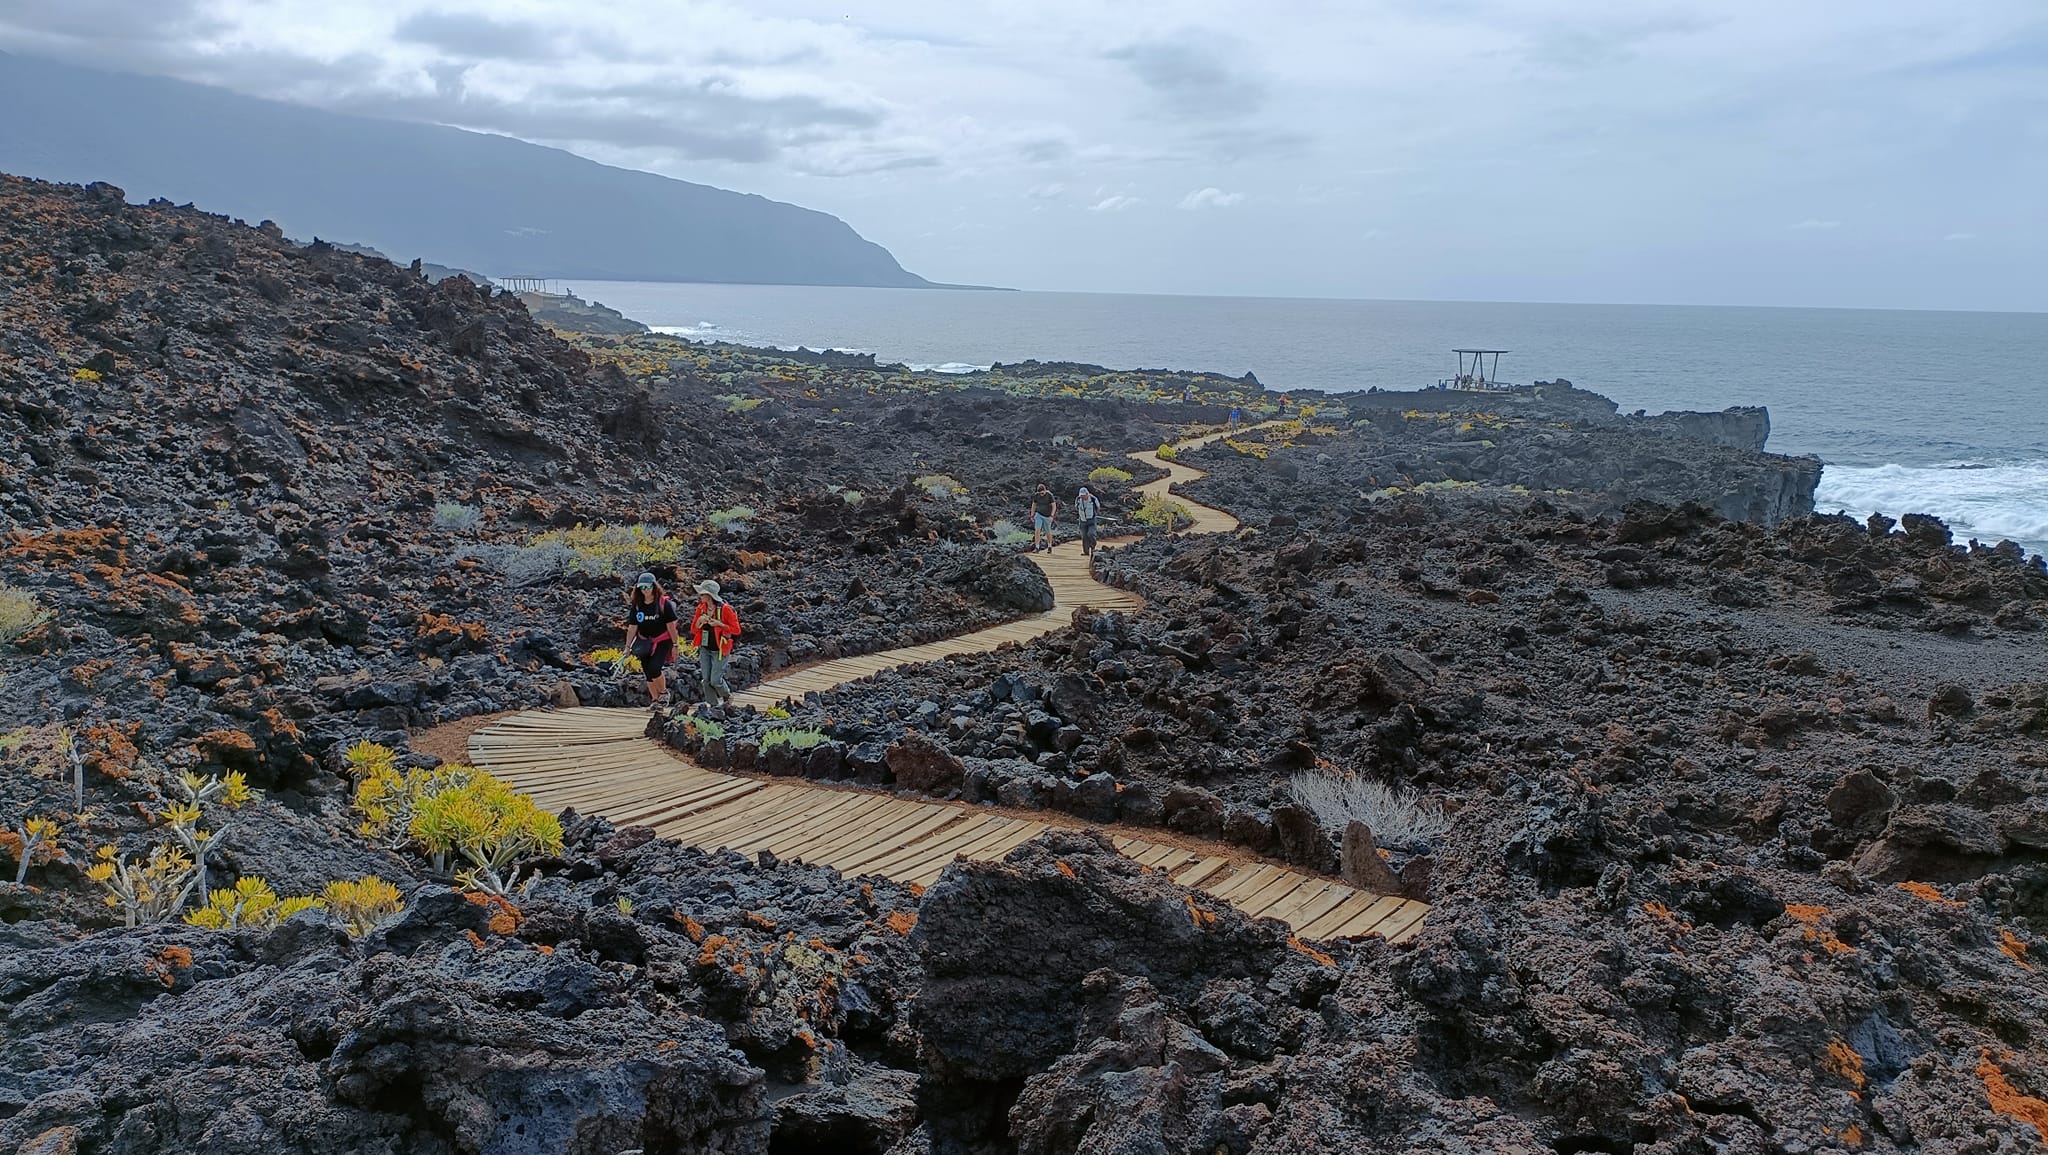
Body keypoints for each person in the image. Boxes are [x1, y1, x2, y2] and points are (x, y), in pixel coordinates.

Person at [622, 572, 680, 710]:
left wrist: (675, 644)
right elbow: (632, 627)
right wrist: (627, 646)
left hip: (662, 640)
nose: (645, 590)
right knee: (647, 672)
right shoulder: (637, 605)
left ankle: (664, 693)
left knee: (655, 669)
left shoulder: (663, 604)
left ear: (654, 586)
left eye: (648, 587)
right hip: (644, 641)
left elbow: (671, 626)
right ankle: (655, 700)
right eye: (642, 587)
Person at [689, 580, 742, 705]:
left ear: (710, 595)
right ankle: (713, 706)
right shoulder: (701, 608)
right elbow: (693, 629)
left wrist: (719, 624)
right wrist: (700, 621)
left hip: (720, 649)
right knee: (705, 680)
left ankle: (727, 696)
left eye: (702, 594)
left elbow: (736, 630)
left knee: (715, 680)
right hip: (705, 648)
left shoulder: (726, 609)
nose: (700, 596)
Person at [1027, 483, 1060, 553]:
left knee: (1048, 532)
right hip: (1039, 514)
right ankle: (1037, 547)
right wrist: (1032, 515)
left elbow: (1054, 506)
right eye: (1040, 493)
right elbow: (1034, 505)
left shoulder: (1049, 495)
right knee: (1037, 530)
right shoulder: (1036, 495)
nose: (1041, 494)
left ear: (1045, 490)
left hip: (1047, 516)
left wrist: (1052, 516)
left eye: (1042, 493)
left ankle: (1049, 546)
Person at [1074, 485, 1101, 555]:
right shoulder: (1078, 499)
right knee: (1084, 536)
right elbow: (1076, 507)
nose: (1082, 497)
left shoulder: (1093, 499)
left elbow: (1098, 507)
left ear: (1087, 494)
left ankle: (1093, 548)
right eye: (1081, 495)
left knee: (1091, 534)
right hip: (1082, 520)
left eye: (1084, 495)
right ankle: (1086, 552)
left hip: (1091, 520)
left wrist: (1094, 515)